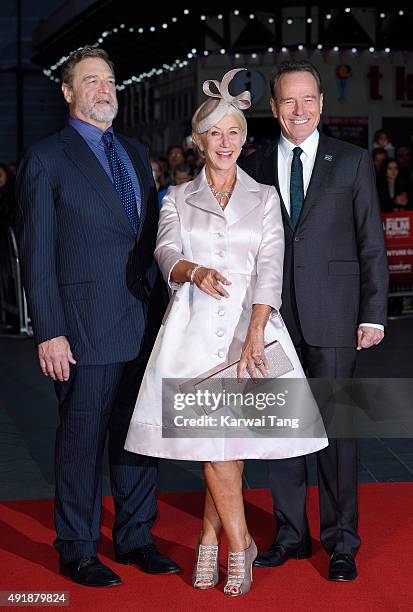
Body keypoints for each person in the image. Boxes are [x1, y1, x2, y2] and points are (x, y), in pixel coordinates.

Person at [125, 68, 327, 597]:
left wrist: (258, 329)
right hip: (192, 332)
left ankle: (210, 536)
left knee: (229, 449)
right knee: (214, 448)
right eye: (214, 133)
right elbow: (165, 252)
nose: (225, 142)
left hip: (249, 331)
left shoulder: (262, 199)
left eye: (233, 132)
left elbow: (271, 268)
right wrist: (194, 272)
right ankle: (242, 546)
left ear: (244, 137)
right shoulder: (174, 197)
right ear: (197, 141)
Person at [15, 46, 180, 587]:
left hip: (143, 326)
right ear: (68, 92)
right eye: (91, 81)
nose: (104, 89)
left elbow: (152, 240)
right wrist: (51, 332)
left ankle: (135, 538)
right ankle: (78, 547)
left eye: (109, 80)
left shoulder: (134, 153)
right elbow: (37, 256)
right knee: (81, 444)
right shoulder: (46, 159)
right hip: (82, 331)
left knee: (138, 440)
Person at [240, 60, 388, 582]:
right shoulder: (254, 166)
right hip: (276, 318)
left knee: (337, 433)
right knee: (283, 431)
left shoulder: (350, 162)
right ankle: (290, 534)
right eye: (287, 101)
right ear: (274, 108)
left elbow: (372, 243)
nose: (298, 110)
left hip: (335, 316)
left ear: (322, 103)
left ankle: (341, 540)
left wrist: (374, 313)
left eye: (308, 100)